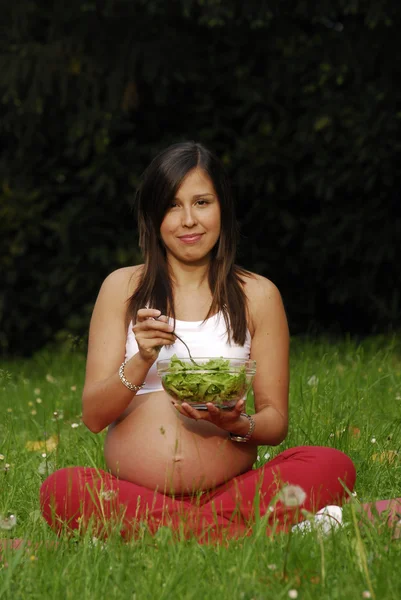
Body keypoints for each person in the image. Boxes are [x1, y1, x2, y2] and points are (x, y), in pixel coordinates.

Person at [40, 141, 356, 543]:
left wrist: (237, 423)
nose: (188, 220)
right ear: (154, 216)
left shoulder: (258, 295)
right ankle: (240, 534)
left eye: (202, 202)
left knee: (330, 463)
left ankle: (172, 534)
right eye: (172, 205)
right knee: (63, 488)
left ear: (222, 207)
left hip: (231, 491)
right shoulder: (121, 288)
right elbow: (93, 416)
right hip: (137, 494)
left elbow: (275, 423)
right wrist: (141, 359)